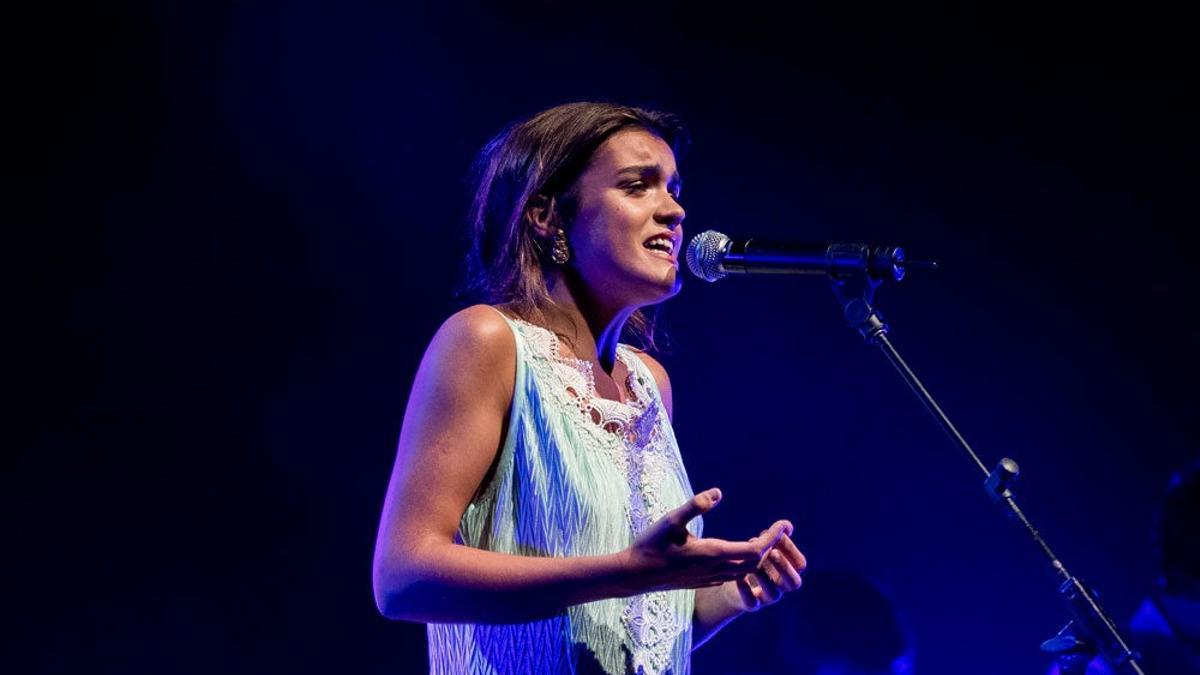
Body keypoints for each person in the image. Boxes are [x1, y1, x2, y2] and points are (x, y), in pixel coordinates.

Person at [371, 102, 807, 674]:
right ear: (548, 215)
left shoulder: (651, 386)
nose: (674, 211)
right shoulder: (488, 343)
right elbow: (403, 579)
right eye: (638, 186)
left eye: (674, 189)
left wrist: (727, 595)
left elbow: (628, 632)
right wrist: (629, 569)